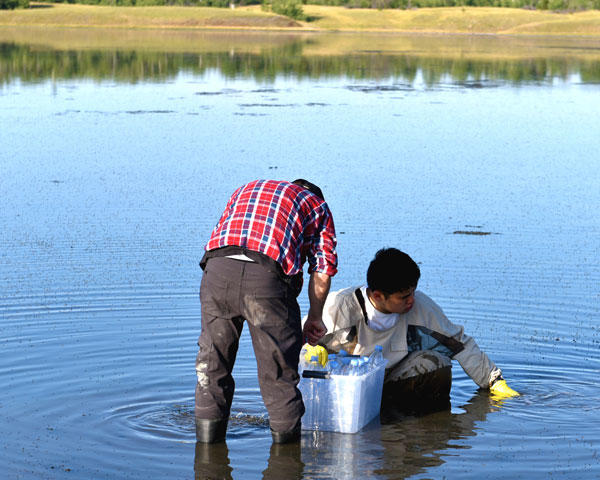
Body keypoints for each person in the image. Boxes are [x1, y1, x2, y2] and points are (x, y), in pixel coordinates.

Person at [195, 179, 338, 444]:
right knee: (279, 377)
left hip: (217, 271)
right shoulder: (317, 205)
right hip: (266, 281)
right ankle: (286, 461)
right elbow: (322, 268)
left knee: (212, 366)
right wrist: (315, 317)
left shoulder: (247, 188)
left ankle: (207, 456)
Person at [312, 247, 518, 412]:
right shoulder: (339, 306)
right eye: (403, 297)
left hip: (394, 384)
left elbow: (459, 344)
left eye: (413, 292)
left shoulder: (420, 307)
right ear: (377, 296)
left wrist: (494, 381)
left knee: (437, 363)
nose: (412, 301)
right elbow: (305, 344)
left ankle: (415, 424)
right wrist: (313, 349)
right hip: (350, 390)